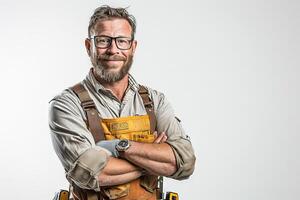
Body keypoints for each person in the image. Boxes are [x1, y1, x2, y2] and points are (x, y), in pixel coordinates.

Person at [49, 5, 196, 200]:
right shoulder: (66, 104)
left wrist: (119, 147)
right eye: (103, 41)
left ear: (133, 47)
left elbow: (184, 162)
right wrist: (152, 157)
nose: (113, 49)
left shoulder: (155, 101)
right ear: (88, 46)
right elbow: (90, 172)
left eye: (122, 41)